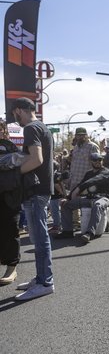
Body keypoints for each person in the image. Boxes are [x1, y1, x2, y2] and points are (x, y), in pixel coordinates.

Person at [10, 97, 55, 300]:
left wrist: (15, 173)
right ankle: (40, 278)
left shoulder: (30, 128)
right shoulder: (42, 127)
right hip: (40, 190)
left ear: (19, 110)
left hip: (36, 190)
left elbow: (37, 159)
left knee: (39, 238)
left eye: (14, 114)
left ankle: (45, 282)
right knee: (38, 237)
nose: (14, 118)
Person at [58, 152, 109, 243]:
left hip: (104, 198)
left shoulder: (106, 172)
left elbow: (94, 180)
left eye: (100, 160)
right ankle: (67, 231)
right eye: (95, 160)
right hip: (89, 198)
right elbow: (80, 184)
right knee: (66, 205)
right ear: (91, 161)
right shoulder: (88, 173)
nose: (98, 162)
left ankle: (90, 233)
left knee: (98, 205)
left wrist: (80, 188)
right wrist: (68, 198)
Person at [0, 119, 21, 285]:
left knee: (10, 229)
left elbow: (18, 165)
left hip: (8, 196)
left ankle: (11, 268)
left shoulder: (8, 146)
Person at [67, 127, 99, 231]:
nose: (80, 137)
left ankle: (93, 223)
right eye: (78, 135)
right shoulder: (76, 147)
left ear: (86, 135)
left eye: (82, 135)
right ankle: (76, 223)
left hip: (87, 181)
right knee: (73, 201)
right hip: (75, 179)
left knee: (89, 202)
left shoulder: (92, 147)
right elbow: (73, 163)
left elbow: (98, 164)